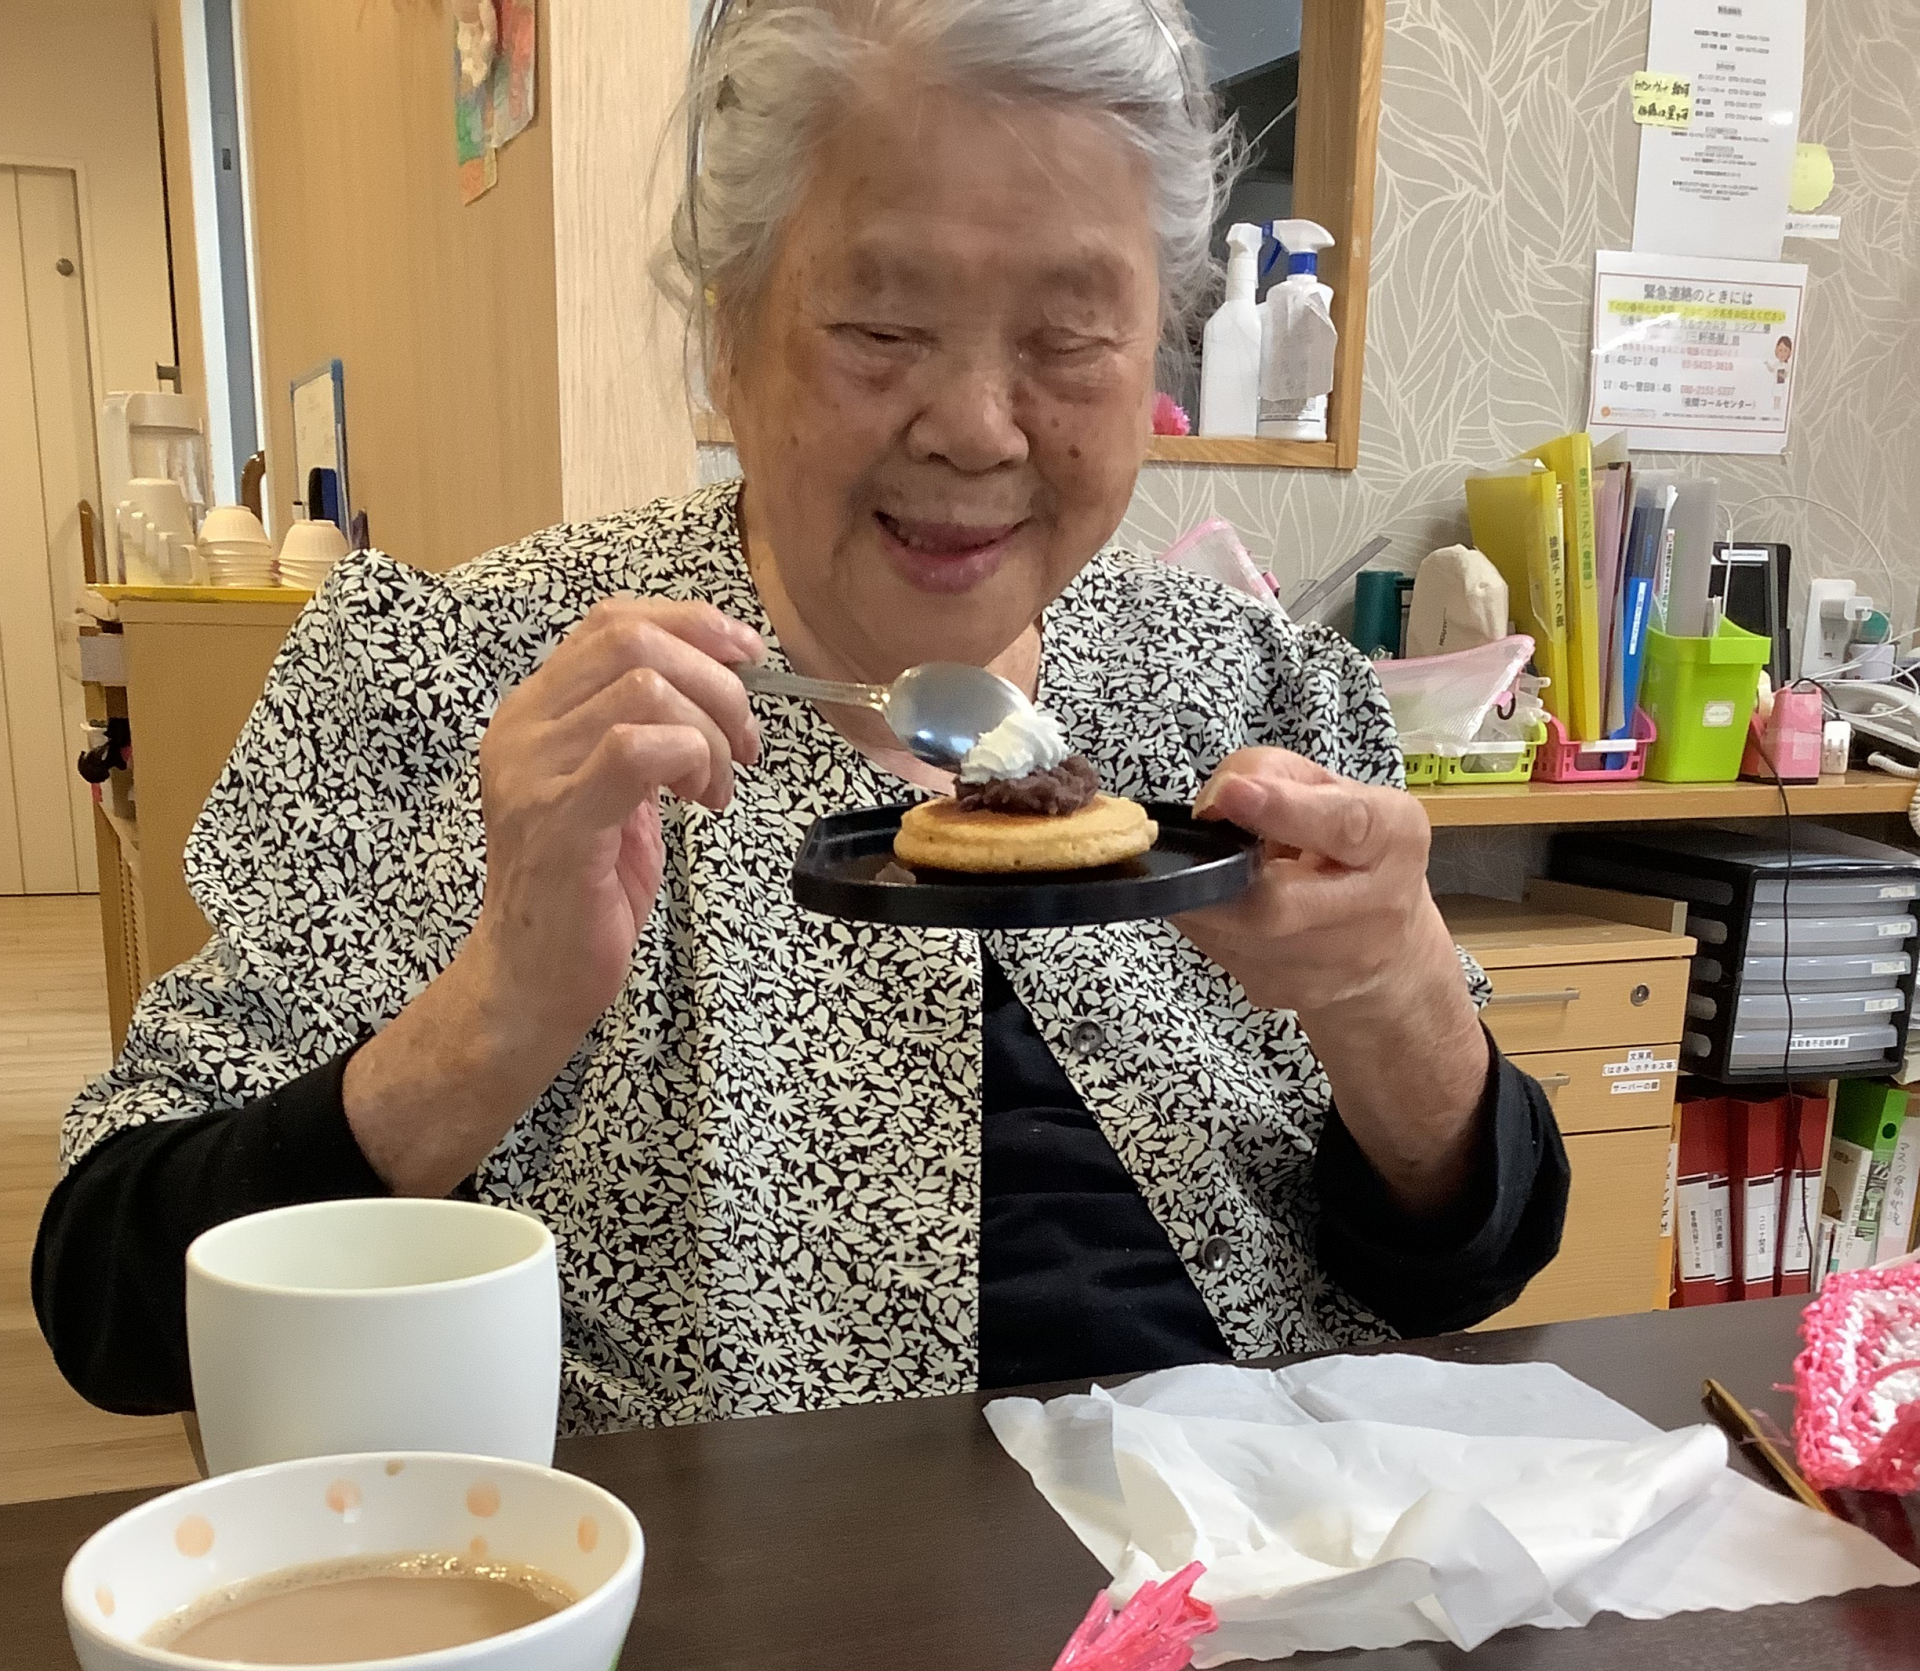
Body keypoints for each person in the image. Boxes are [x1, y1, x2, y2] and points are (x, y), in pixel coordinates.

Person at [36, 0, 1566, 1434]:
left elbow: (1467, 1268)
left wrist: (1400, 1001)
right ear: (729, 332)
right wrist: (495, 1012)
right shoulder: (467, 683)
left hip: (1247, 1572)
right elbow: (115, 1301)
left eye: (1069, 337)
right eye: (881, 327)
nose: (976, 428)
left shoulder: (1260, 696)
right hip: (720, 1606)